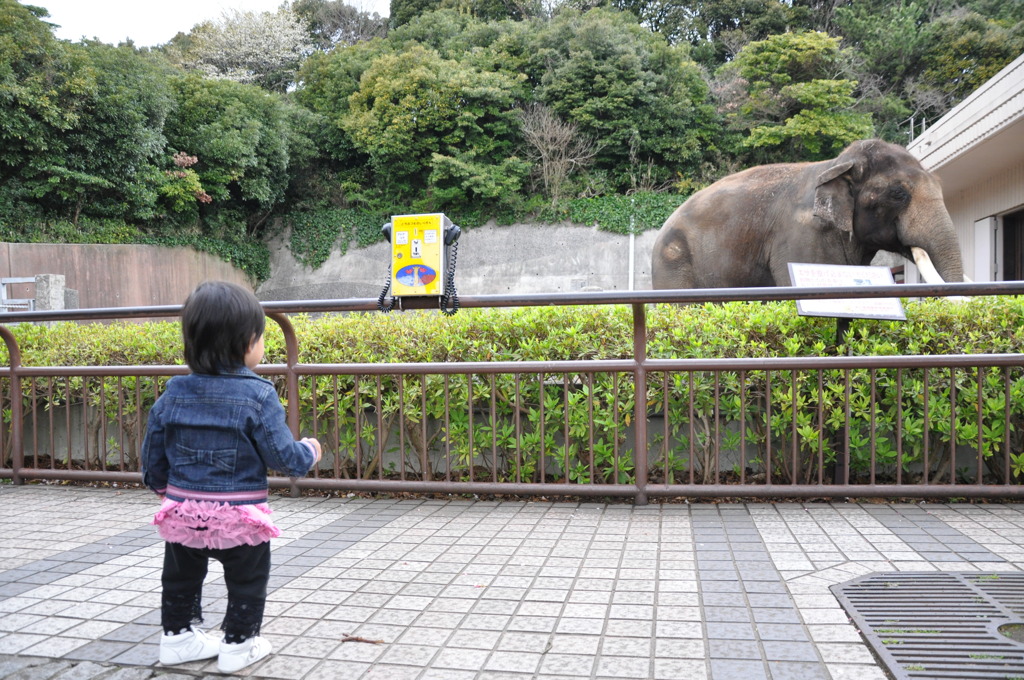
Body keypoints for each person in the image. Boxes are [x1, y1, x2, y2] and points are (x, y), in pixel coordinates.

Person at [141, 281, 321, 674]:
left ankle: (176, 639)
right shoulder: (258, 394)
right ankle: (238, 645)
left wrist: (164, 490)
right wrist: (309, 450)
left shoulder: (174, 391)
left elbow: (153, 451)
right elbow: (283, 457)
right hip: (239, 515)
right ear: (246, 342)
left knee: (180, 575)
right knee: (247, 578)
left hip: (184, 511)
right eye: (261, 337)